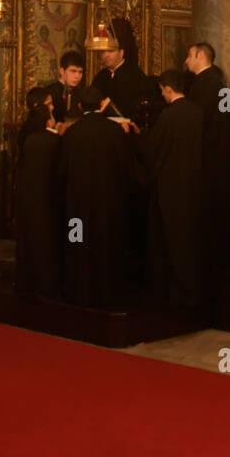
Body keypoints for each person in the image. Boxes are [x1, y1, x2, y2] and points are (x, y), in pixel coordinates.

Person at [57, 85, 137, 308]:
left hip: (78, 202)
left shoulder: (72, 133)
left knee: (78, 244)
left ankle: (79, 290)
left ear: (80, 106)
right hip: (108, 200)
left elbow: (62, 169)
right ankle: (107, 291)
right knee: (106, 242)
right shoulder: (114, 132)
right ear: (102, 104)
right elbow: (124, 167)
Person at [141, 70, 204, 309]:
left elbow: (152, 150)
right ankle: (192, 293)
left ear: (167, 88)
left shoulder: (167, 116)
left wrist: (137, 137)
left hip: (169, 187)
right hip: (193, 184)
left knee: (170, 241)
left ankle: (174, 295)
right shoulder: (198, 113)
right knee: (189, 240)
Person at [184, 42, 230, 279]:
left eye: (190, 55)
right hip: (223, 154)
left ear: (201, 56)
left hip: (206, 155)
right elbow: (227, 117)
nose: (186, 60)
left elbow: (196, 122)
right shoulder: (222, 82)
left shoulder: (204, 84)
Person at [15, 89, 62, 298]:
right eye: (49, 105)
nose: (53, 108)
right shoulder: (51, 142)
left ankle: (26, 281)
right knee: (45, 242)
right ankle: (45, 282)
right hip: (46, 198)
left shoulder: (28, 138)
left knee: (28, 240)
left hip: (27, 197)